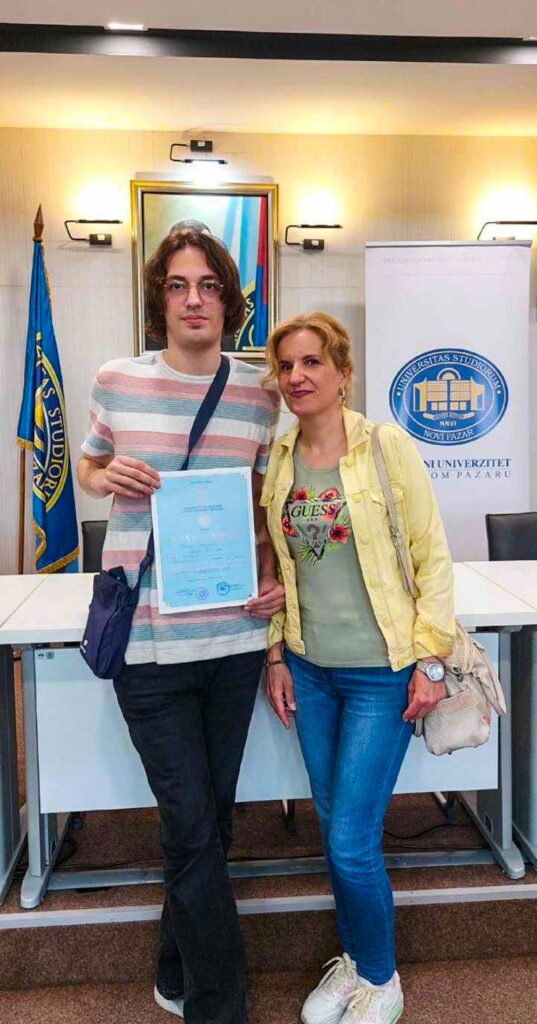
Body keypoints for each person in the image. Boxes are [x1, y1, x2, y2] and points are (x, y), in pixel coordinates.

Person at [77, 228, 284, 1024]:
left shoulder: (260, 393)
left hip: (233, 641)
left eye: (207, 286)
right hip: (147, 643)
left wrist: (275, 579)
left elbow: (270, 504)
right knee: (192, 824)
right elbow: (88, 466)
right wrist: (105, 473)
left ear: (228, 302)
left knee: (208, 822)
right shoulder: (118, 379)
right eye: (176, 285)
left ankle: (174, 965)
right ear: (158, 299)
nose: (193, 299)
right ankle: (218, 1005)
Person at [260, 312, 455, 1024]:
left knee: (349, 838)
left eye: (312, 362)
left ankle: (380, 978)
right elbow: (281, 570)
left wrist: (431, 660)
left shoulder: (386, 446)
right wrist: (276, 653)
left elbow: (432, 555)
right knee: (334, 827)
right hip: (310, 670)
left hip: (381, 673)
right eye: (286, 366)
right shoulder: (281, 457)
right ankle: (354, 960)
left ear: (343, 373)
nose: (297, 377)